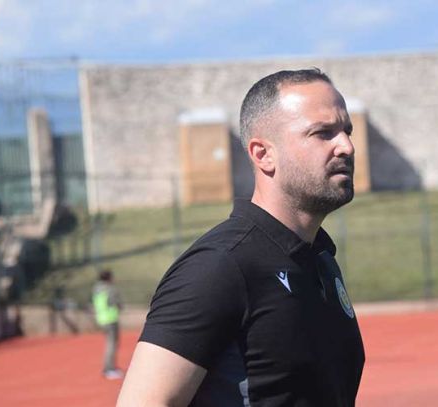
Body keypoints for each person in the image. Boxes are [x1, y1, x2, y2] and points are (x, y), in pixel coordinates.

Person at [117, 69, 365, 406]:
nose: (347, 146)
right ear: (263, 154)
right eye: (322, 133)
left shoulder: (320, 260)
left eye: (346, 131)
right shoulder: (220, 267)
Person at [93, 269, 123, 379]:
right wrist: (119, 306)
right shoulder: (109, 289)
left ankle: (110, 368)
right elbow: (115, 303)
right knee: (112, 344)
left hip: (101, 319)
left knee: (109, 344)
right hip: (110, 319)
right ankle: (109, 369)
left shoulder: (96, 288)